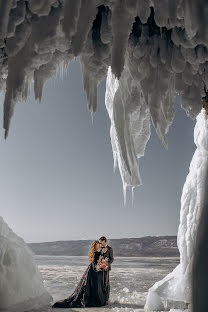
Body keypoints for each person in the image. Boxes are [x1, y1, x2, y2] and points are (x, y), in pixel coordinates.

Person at [52, 240, 108, 308]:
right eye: (98, 244)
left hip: (93, 269)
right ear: (95, 245)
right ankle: (94, 300)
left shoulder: (96, 251)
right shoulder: (95, 252)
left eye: (99, 244)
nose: (99, 245)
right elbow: (95, 261)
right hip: (93, 269)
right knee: (92, 285)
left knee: (93, 285)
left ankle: (96, 299)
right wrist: (100, 263)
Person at [99, 236, 114, 304]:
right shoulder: (101, 249)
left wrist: (106, 263)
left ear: (104, 241)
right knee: (100, 283)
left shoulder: (110, 249)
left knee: (106, 283)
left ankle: (107, 299)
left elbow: (112, 259)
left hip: (106, 269)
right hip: (100, 269)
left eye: (101, 242)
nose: (100, 243)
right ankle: (102, 298)